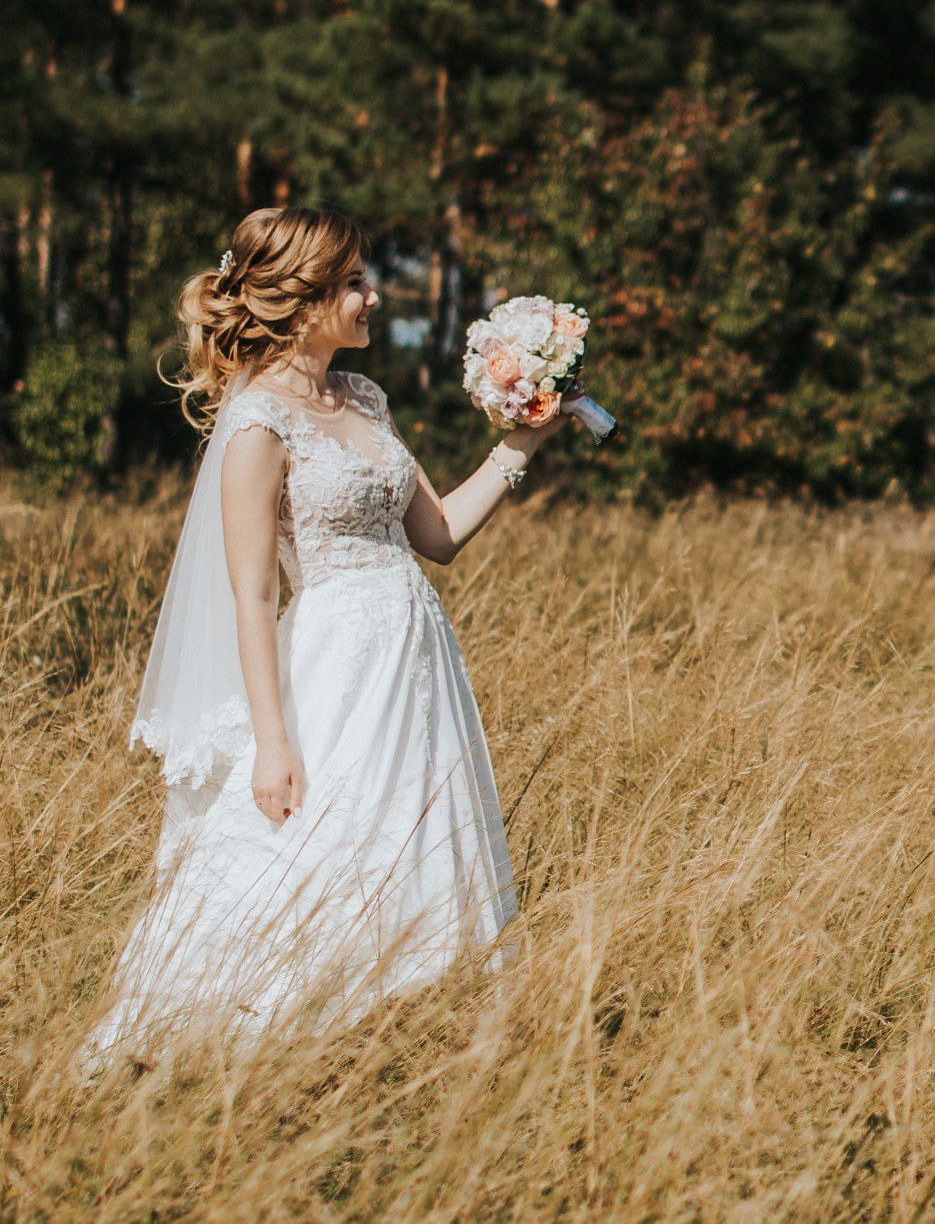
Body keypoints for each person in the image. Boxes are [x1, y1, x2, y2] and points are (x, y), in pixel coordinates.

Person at [88, 206, 572, 1062]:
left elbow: (437, 538)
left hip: (415, 658)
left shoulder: (366, 398)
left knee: (416, 844)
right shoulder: (256, 427)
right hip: (333, 665)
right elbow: (250, 594)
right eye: (352, 282)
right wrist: (272, 743)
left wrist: (521, 445)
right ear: (302, 302)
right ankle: (243, 1044)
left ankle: (415, 1040)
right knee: (319, 851)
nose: (372, 296)